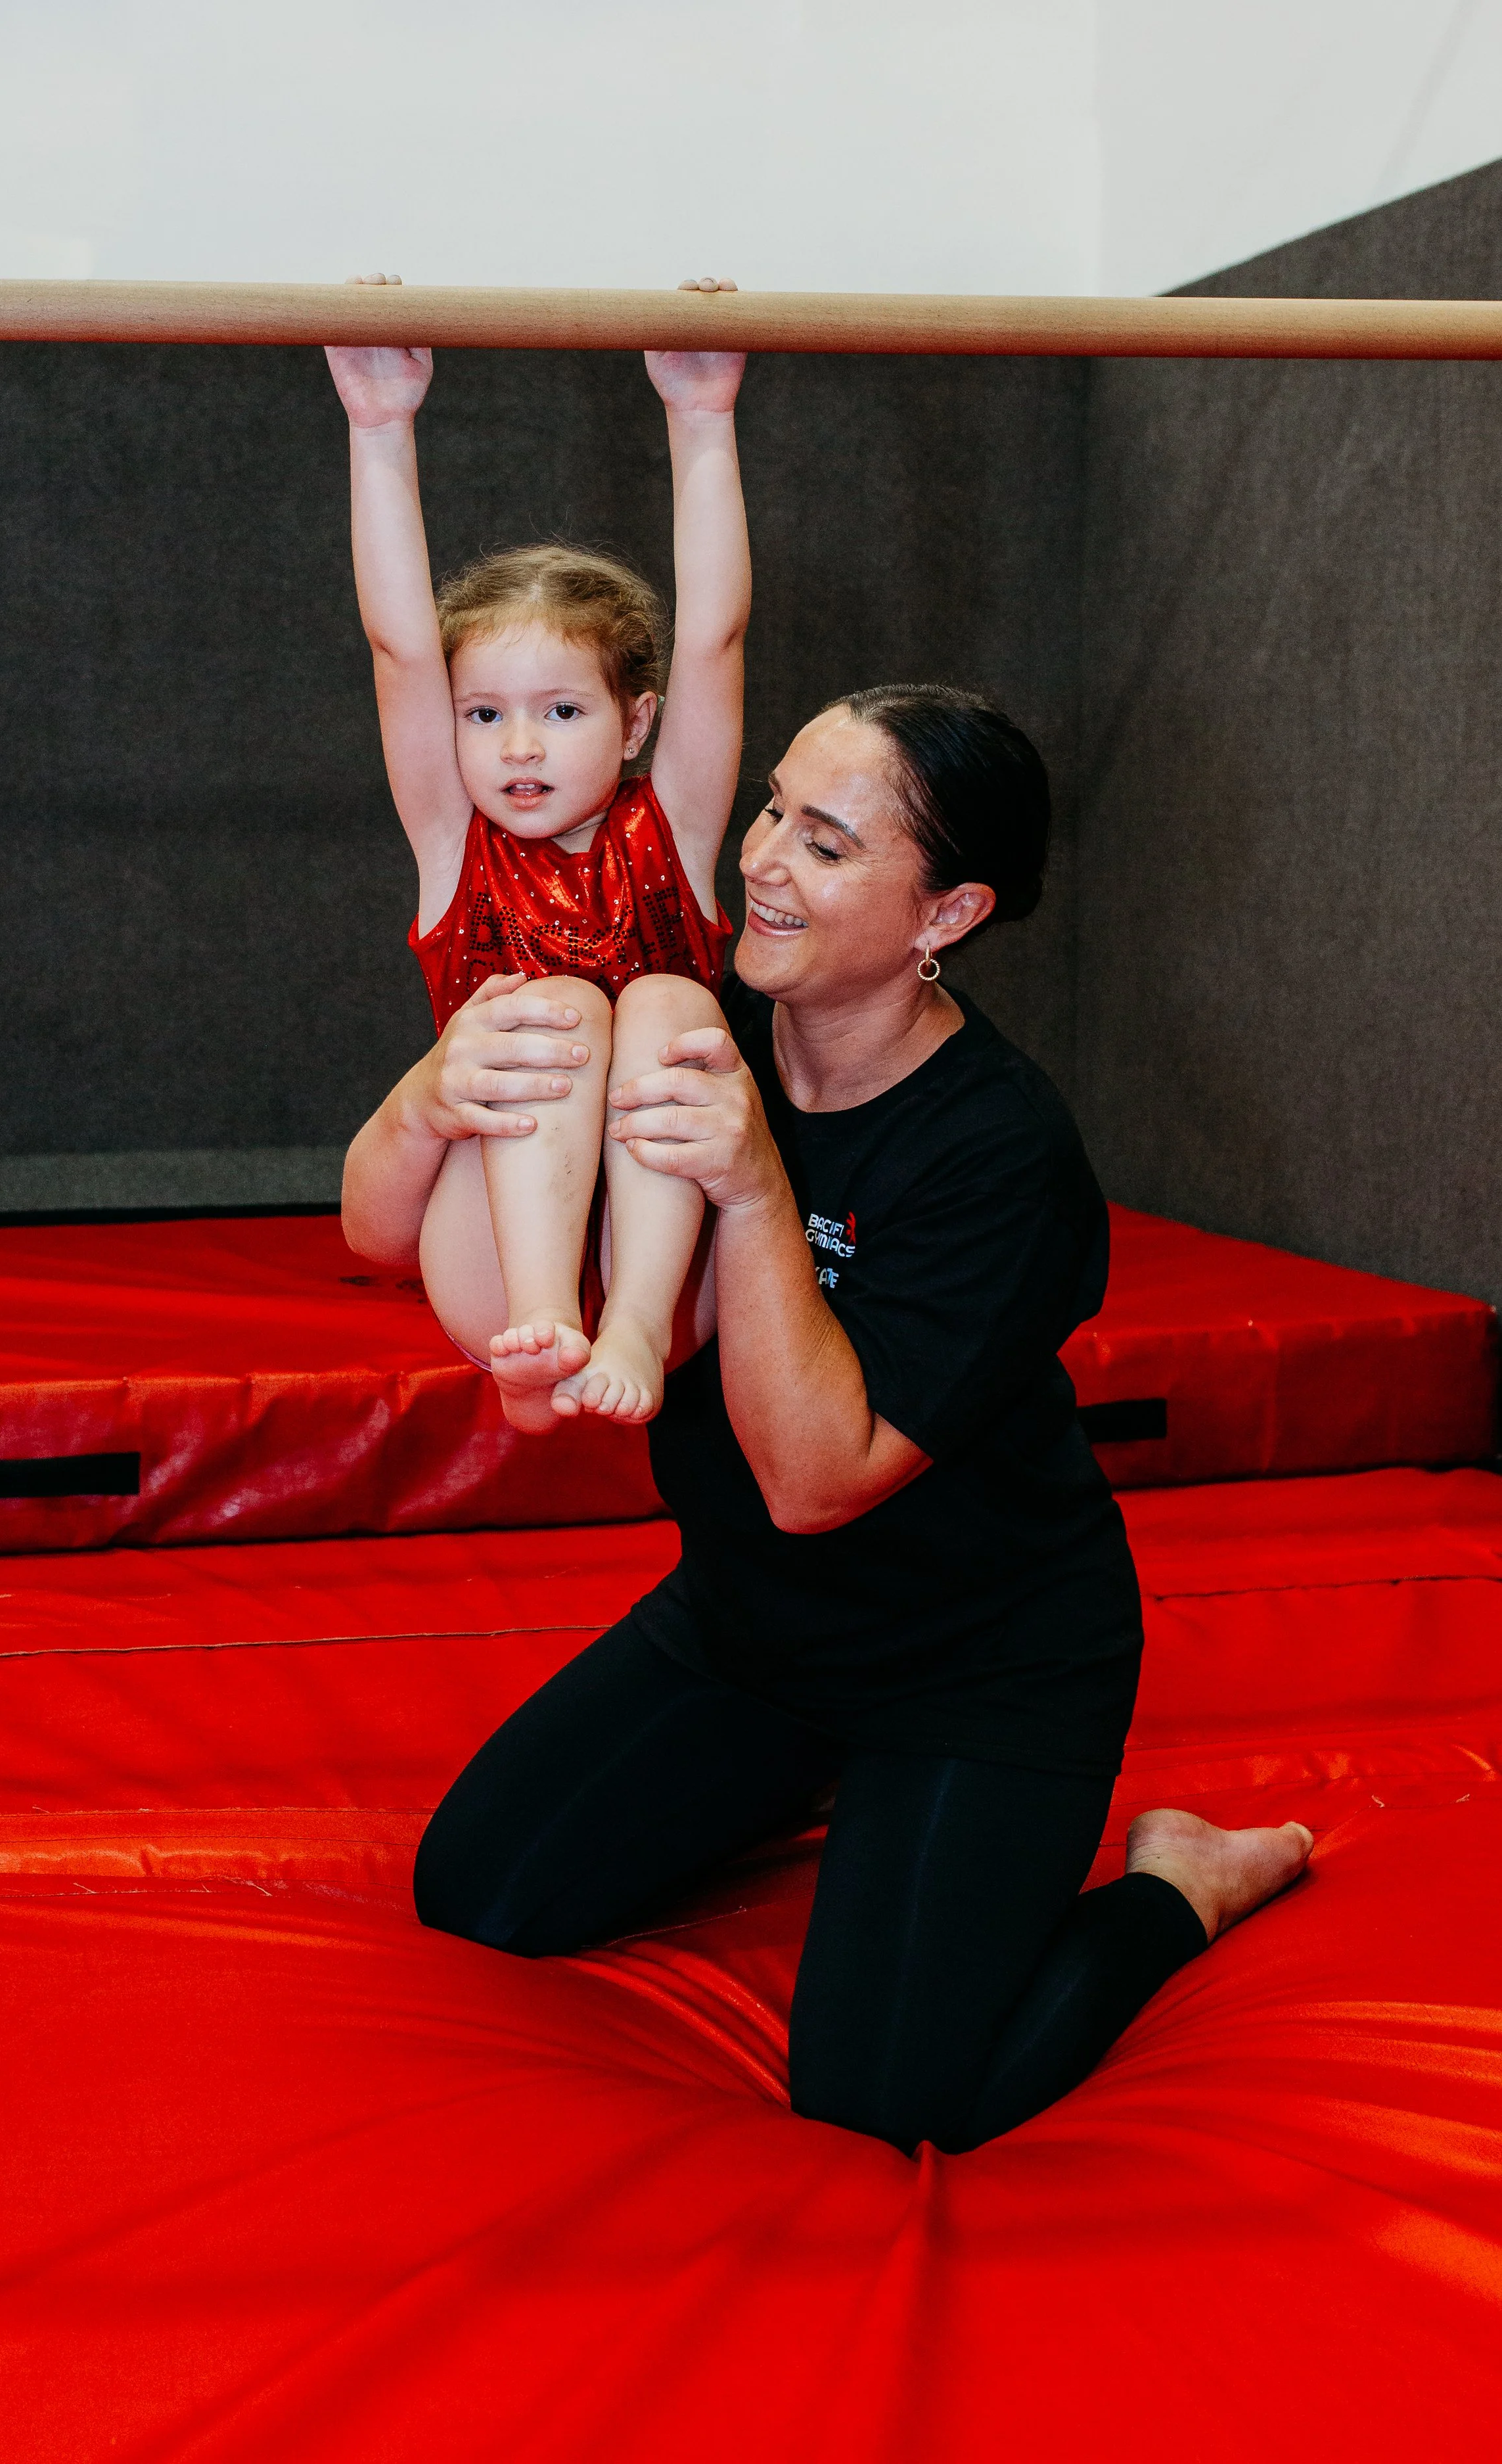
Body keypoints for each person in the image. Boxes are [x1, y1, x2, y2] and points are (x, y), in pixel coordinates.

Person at [357, 680, 1313, 2155]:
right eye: (769, 810)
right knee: (476, 1893)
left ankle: (1178, 1882)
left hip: (976, 1665)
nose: (761, 859)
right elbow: (385, 1239)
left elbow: (817, 1479)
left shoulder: (1001, 1151)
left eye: (825, 840)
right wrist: (431, 1096)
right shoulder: (688, 1022)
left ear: (945, 914)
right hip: (748, 1632)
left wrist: (752, 1190)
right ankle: (801, 1784)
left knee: (896, 2104)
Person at [329, 275, 750, 1434]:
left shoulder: (676, 831)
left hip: (670, 1267)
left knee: (666, 1000)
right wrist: (380, 425)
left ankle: (629, 1332)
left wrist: (702, 415)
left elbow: (713, 639)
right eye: (484, 716)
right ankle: (543, 1332)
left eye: (564, 712)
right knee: (552, 1005)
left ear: (638, 722)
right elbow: (399, 649)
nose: (519, 747)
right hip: (498, 1266)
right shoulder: (454, 845)